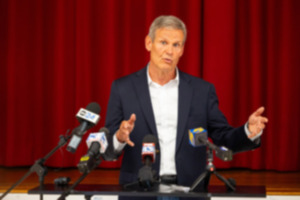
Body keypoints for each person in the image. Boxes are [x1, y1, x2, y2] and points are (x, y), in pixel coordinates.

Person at [104, 15, 268, 189]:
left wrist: (248, 131)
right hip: (138, 190)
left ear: (182, 50)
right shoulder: (123, 88)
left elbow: (222, 138)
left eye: (176, 45)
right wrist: (119, 138)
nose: (169, 51)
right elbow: (107, 152)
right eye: (163, 42)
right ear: (148, 43)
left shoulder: (202, 91)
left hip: (191, 189)